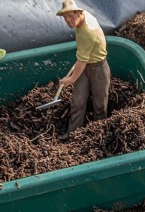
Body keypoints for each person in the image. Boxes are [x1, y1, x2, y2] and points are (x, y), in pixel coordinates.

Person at [56, 0, 111, 140]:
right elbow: (82, 60)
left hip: (99, 68)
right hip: (85, 65)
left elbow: (82, 61)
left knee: (99, 104)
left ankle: (99, 134)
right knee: (78, 102)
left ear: (79, 13)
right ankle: (73, 133)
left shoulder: (88, 32)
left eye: (70, 16)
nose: (68, 20)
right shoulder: (81, 18)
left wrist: (71, 79)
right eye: (65, 17)